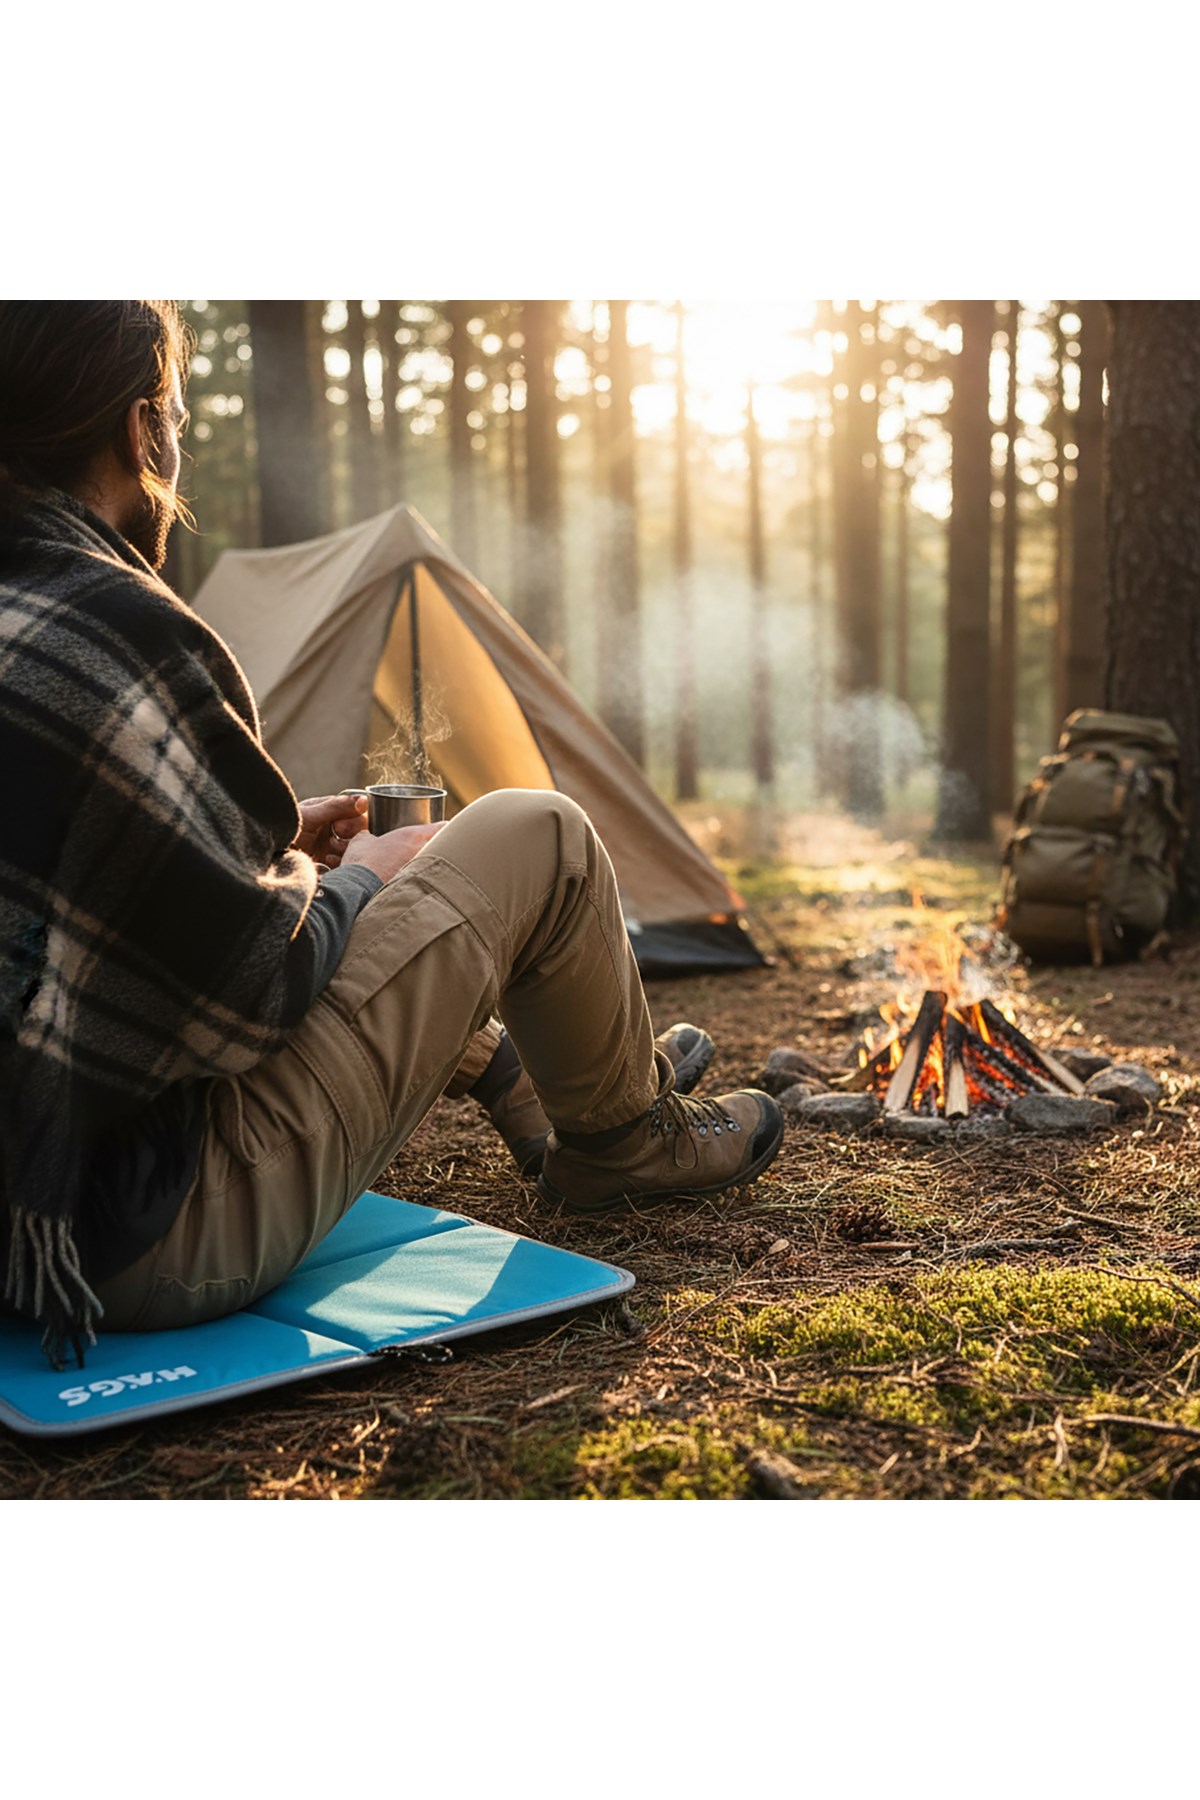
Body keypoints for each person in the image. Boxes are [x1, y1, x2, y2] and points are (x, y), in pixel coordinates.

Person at [0, 300, 784, 1370]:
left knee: (391, 898)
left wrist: (269, 866)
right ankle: (622, 1143)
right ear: (140, 431)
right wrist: (351, 884)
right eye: (174, 416)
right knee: (533, 833)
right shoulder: (116, 625)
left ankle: (564, 1094)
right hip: (132, 1239)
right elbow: (240, 996)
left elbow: (70, 935)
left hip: (30, 1196)